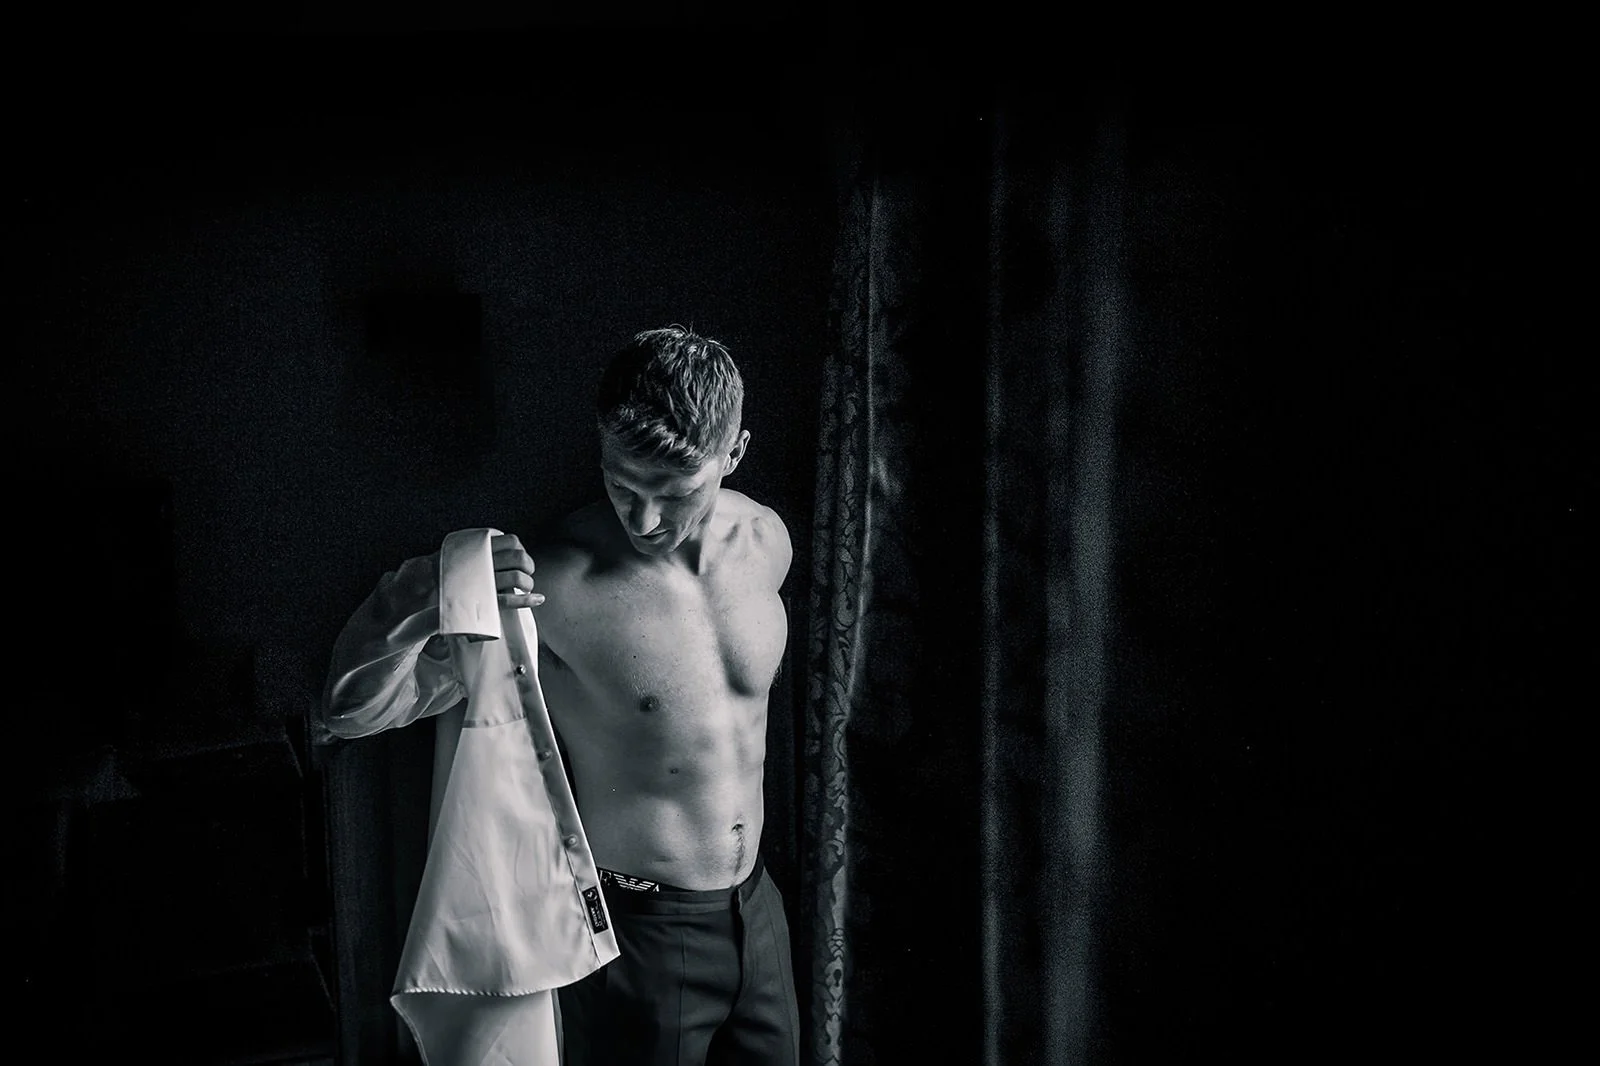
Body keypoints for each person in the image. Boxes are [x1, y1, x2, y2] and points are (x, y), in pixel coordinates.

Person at [322, 325, 799, 1066]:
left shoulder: (768, 541)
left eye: (673, 494)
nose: (643, 521)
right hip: (642, 935)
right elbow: (352, 713)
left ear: (733, 455)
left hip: (758, 911)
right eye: (621, 485)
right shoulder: (550, 586)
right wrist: (415, 591)